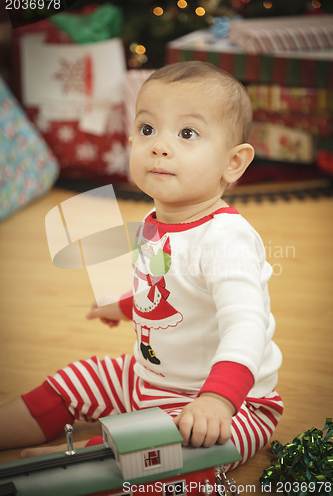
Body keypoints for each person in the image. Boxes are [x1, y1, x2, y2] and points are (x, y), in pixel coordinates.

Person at [0, 62, 283, 470]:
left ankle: (78, 464)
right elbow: (171, 290)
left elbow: (247, 327)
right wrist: (126, 306)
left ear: (233, 163)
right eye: (148, 129)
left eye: (187, 134)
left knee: (166, 453)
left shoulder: (226, 239)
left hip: (230, 404)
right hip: (147, 377)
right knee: (78, 378)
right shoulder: (156, 220)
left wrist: (217, 399)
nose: (159, 145)